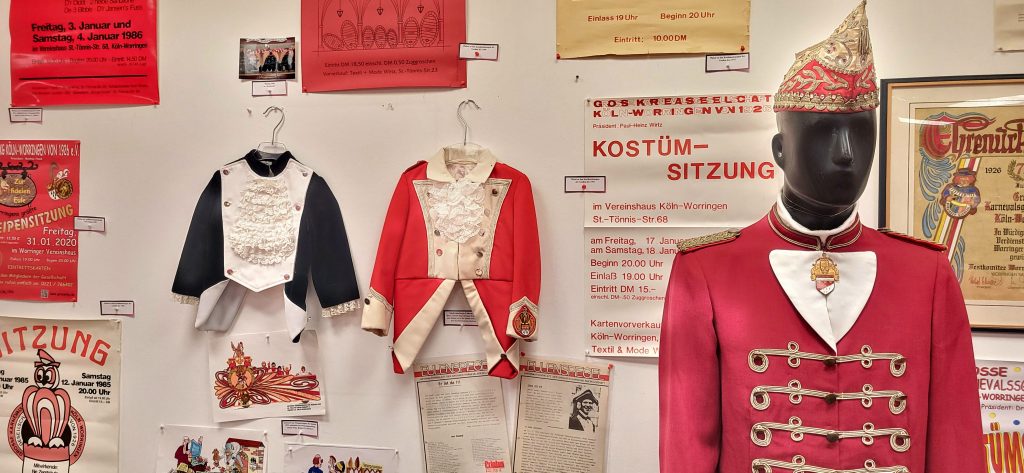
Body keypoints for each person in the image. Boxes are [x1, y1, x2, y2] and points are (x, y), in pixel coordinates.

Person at [659, 2, 984, 472]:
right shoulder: (705, 271)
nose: (847, 154)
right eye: (823, 133)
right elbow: (687, 445)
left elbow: (956, 441)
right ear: (780, 150)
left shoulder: (927, 273)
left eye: (861, 134)